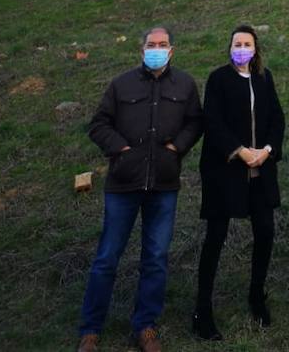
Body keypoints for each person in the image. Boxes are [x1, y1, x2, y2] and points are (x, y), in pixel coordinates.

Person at [76, 26, 203, 352]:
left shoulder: (185, 85)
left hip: (163, 184)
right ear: (141, 49)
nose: (157, 49)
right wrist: (121, 150)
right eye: (151, 44)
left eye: (163, 45)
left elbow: (195, 122)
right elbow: (98, 124)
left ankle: (145, 326)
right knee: (107, 257)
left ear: (172, 51)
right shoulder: (121, 84)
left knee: (156, 258)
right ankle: (90, 330)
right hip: (123, 184)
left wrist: (178, 148)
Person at [193, 25, 286, 340]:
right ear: (229, 47)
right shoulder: (218, 79)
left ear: (256, 48)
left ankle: (257, 296)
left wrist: (268, 151)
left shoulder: (264, 78)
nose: (242, 47)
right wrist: (241, 151)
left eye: (247, 43)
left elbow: (277, 118)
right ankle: (202, 310)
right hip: (226, 171)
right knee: (215, 238)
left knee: (265, 232)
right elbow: (213, 121)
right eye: (237, 43)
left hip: (261, 171)